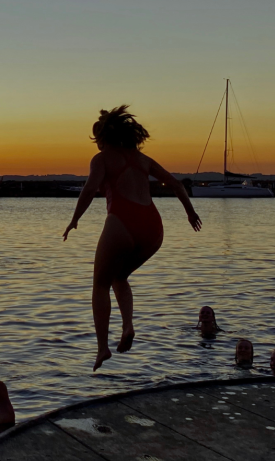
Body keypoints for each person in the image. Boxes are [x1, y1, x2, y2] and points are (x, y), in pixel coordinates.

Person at [63, 105, 202, 371]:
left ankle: (102, 348)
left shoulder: (101, 159)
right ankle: (128, 325)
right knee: (120, 277)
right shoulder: (143, 159)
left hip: (122, 221)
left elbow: (90, 189)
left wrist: (75, 219)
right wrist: (190, 212)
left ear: (103, 138)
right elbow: (176, 184)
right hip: (153, 227)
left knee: (100, 284)